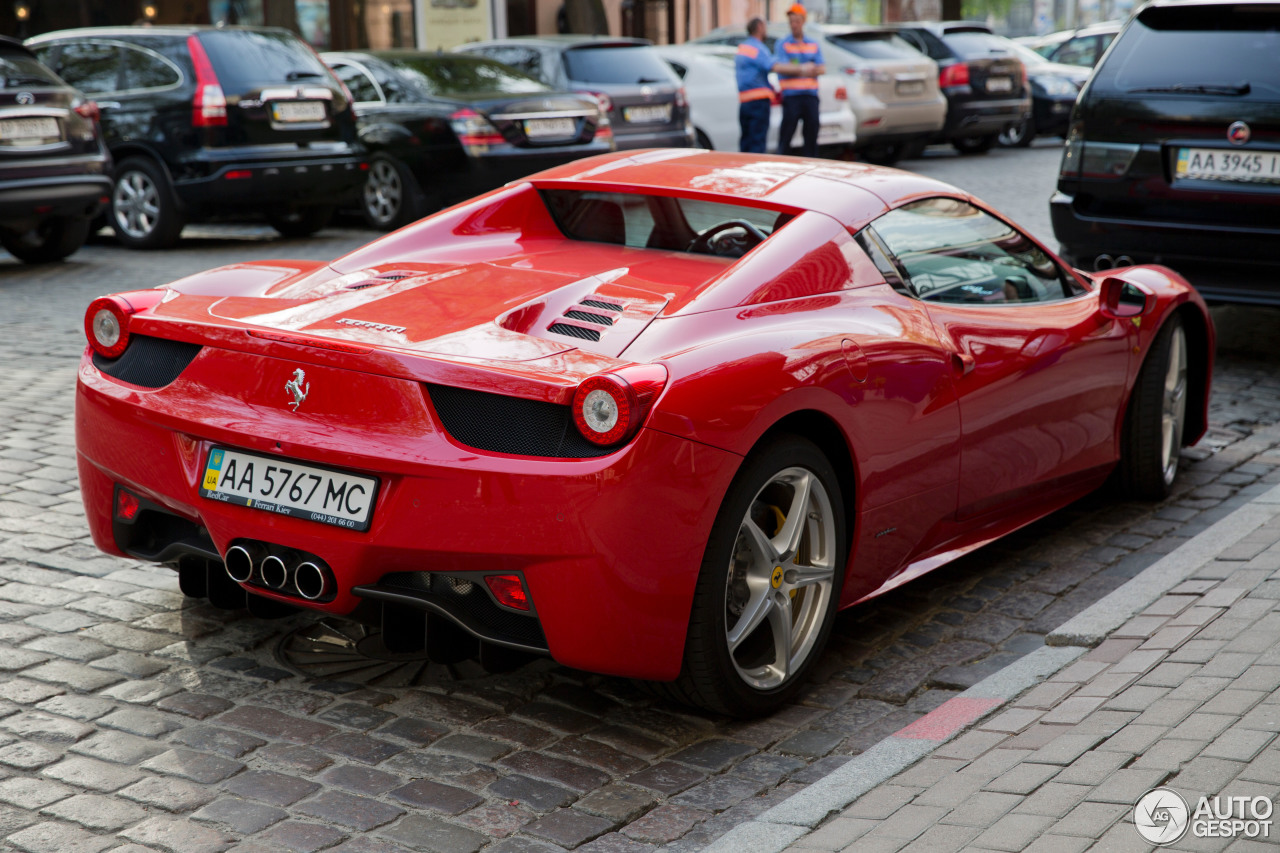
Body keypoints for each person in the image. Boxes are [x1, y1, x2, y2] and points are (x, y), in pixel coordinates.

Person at [735, 15, 818, 153]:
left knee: (746, 142)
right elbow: (775, 66)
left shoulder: (743, 48)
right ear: (760, 28)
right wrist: (803, 68)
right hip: (758, 103)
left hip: (745, 102)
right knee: (757, 143)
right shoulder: (758, 49)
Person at [775, 4, 825, 157]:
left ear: (803, 21)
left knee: (811, 136)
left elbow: (822, 69)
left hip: (810, 97)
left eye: (797, 21)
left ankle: (811, 166)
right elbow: (781, 67)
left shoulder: (813, 44)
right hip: (792, 97)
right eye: (791, 21)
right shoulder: (783, 44)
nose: (793, 25)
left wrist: (795, 68)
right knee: (786, 136)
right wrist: (805, 68)